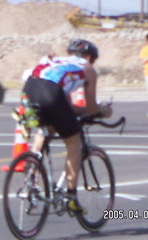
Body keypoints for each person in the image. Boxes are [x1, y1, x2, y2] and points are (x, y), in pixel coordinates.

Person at [22, 39, 112, 215]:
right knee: (73, 142)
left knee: (46, 129)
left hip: (30, 88)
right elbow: (91, 108)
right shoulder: (88, 69)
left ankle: (31, 176)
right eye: (92, 59)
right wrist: (102, 111)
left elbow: (67, 106)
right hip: (51, 93)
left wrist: (79, 111)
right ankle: (71, 197)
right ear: (89, 57)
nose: (92, 63)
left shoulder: (58, 61)